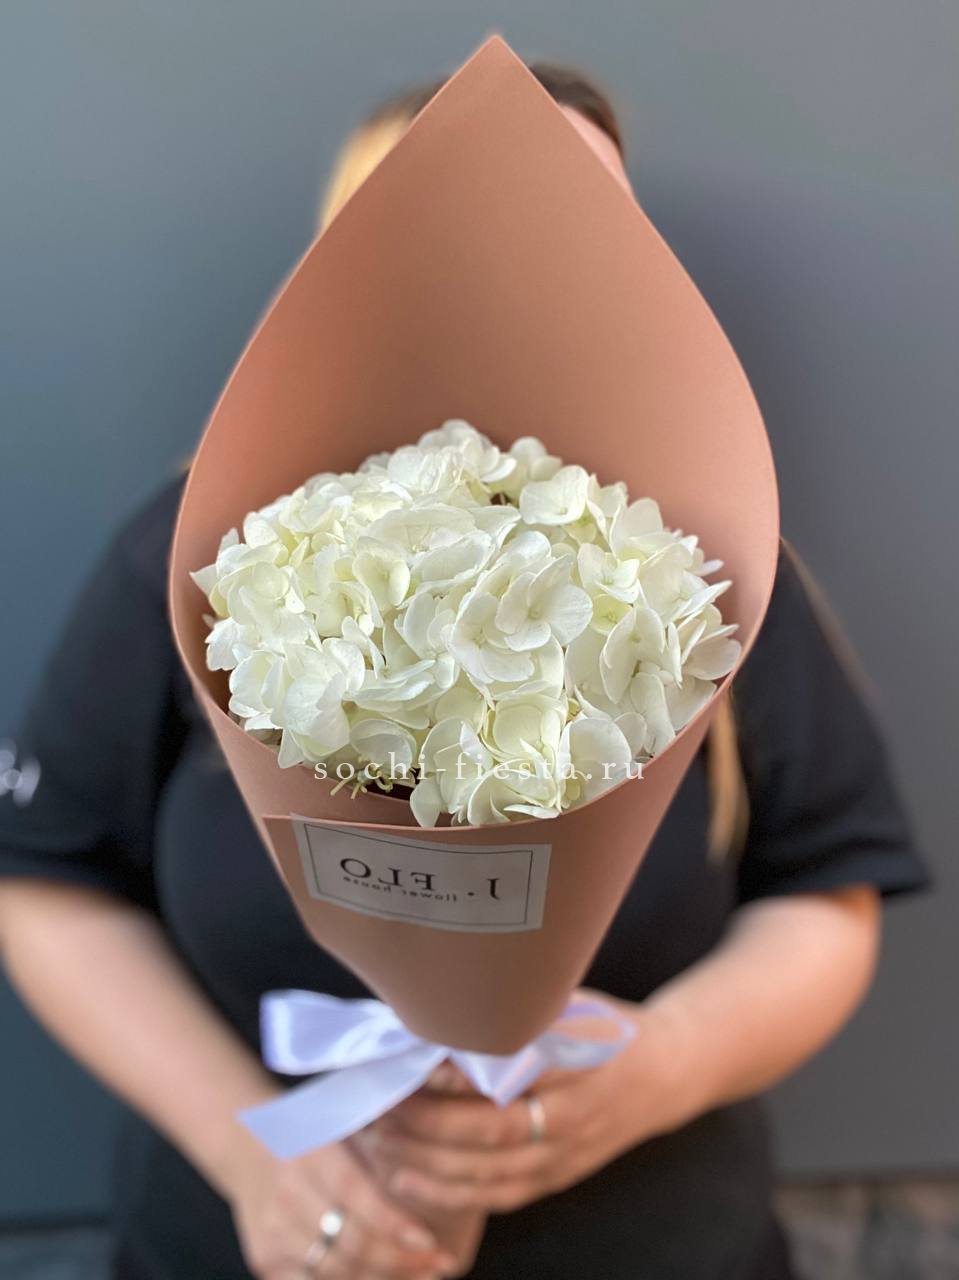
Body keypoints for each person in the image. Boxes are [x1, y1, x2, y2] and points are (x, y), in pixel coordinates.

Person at [0, 60, 929, 1280]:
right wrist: (254, 1157)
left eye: (593, 223)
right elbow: (49, 878)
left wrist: (656, 1069)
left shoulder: (705, 563)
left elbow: (825, 892)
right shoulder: (208, 554)